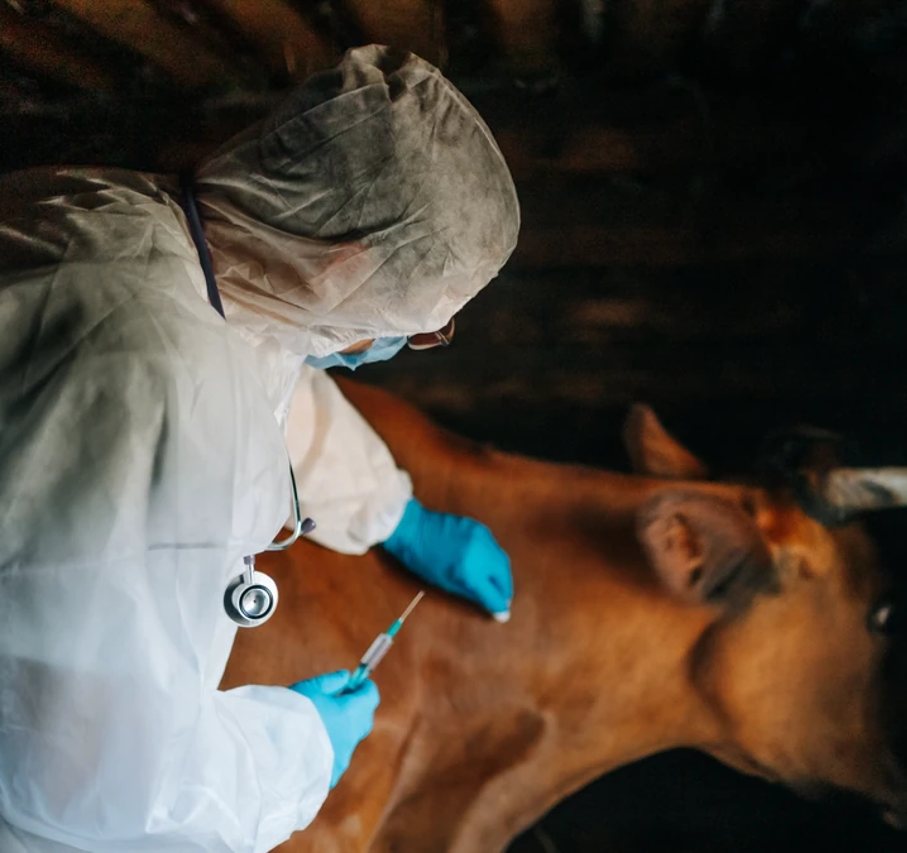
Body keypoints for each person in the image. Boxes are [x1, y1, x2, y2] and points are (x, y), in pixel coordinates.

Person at [0, 45, 520, 853]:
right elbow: (99, 780)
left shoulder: (115, 211)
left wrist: (391, 509)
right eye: (420, 323)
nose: (406, 339)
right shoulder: (159, 376)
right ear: (343, 265)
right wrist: (298, 747)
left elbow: (261, 371)